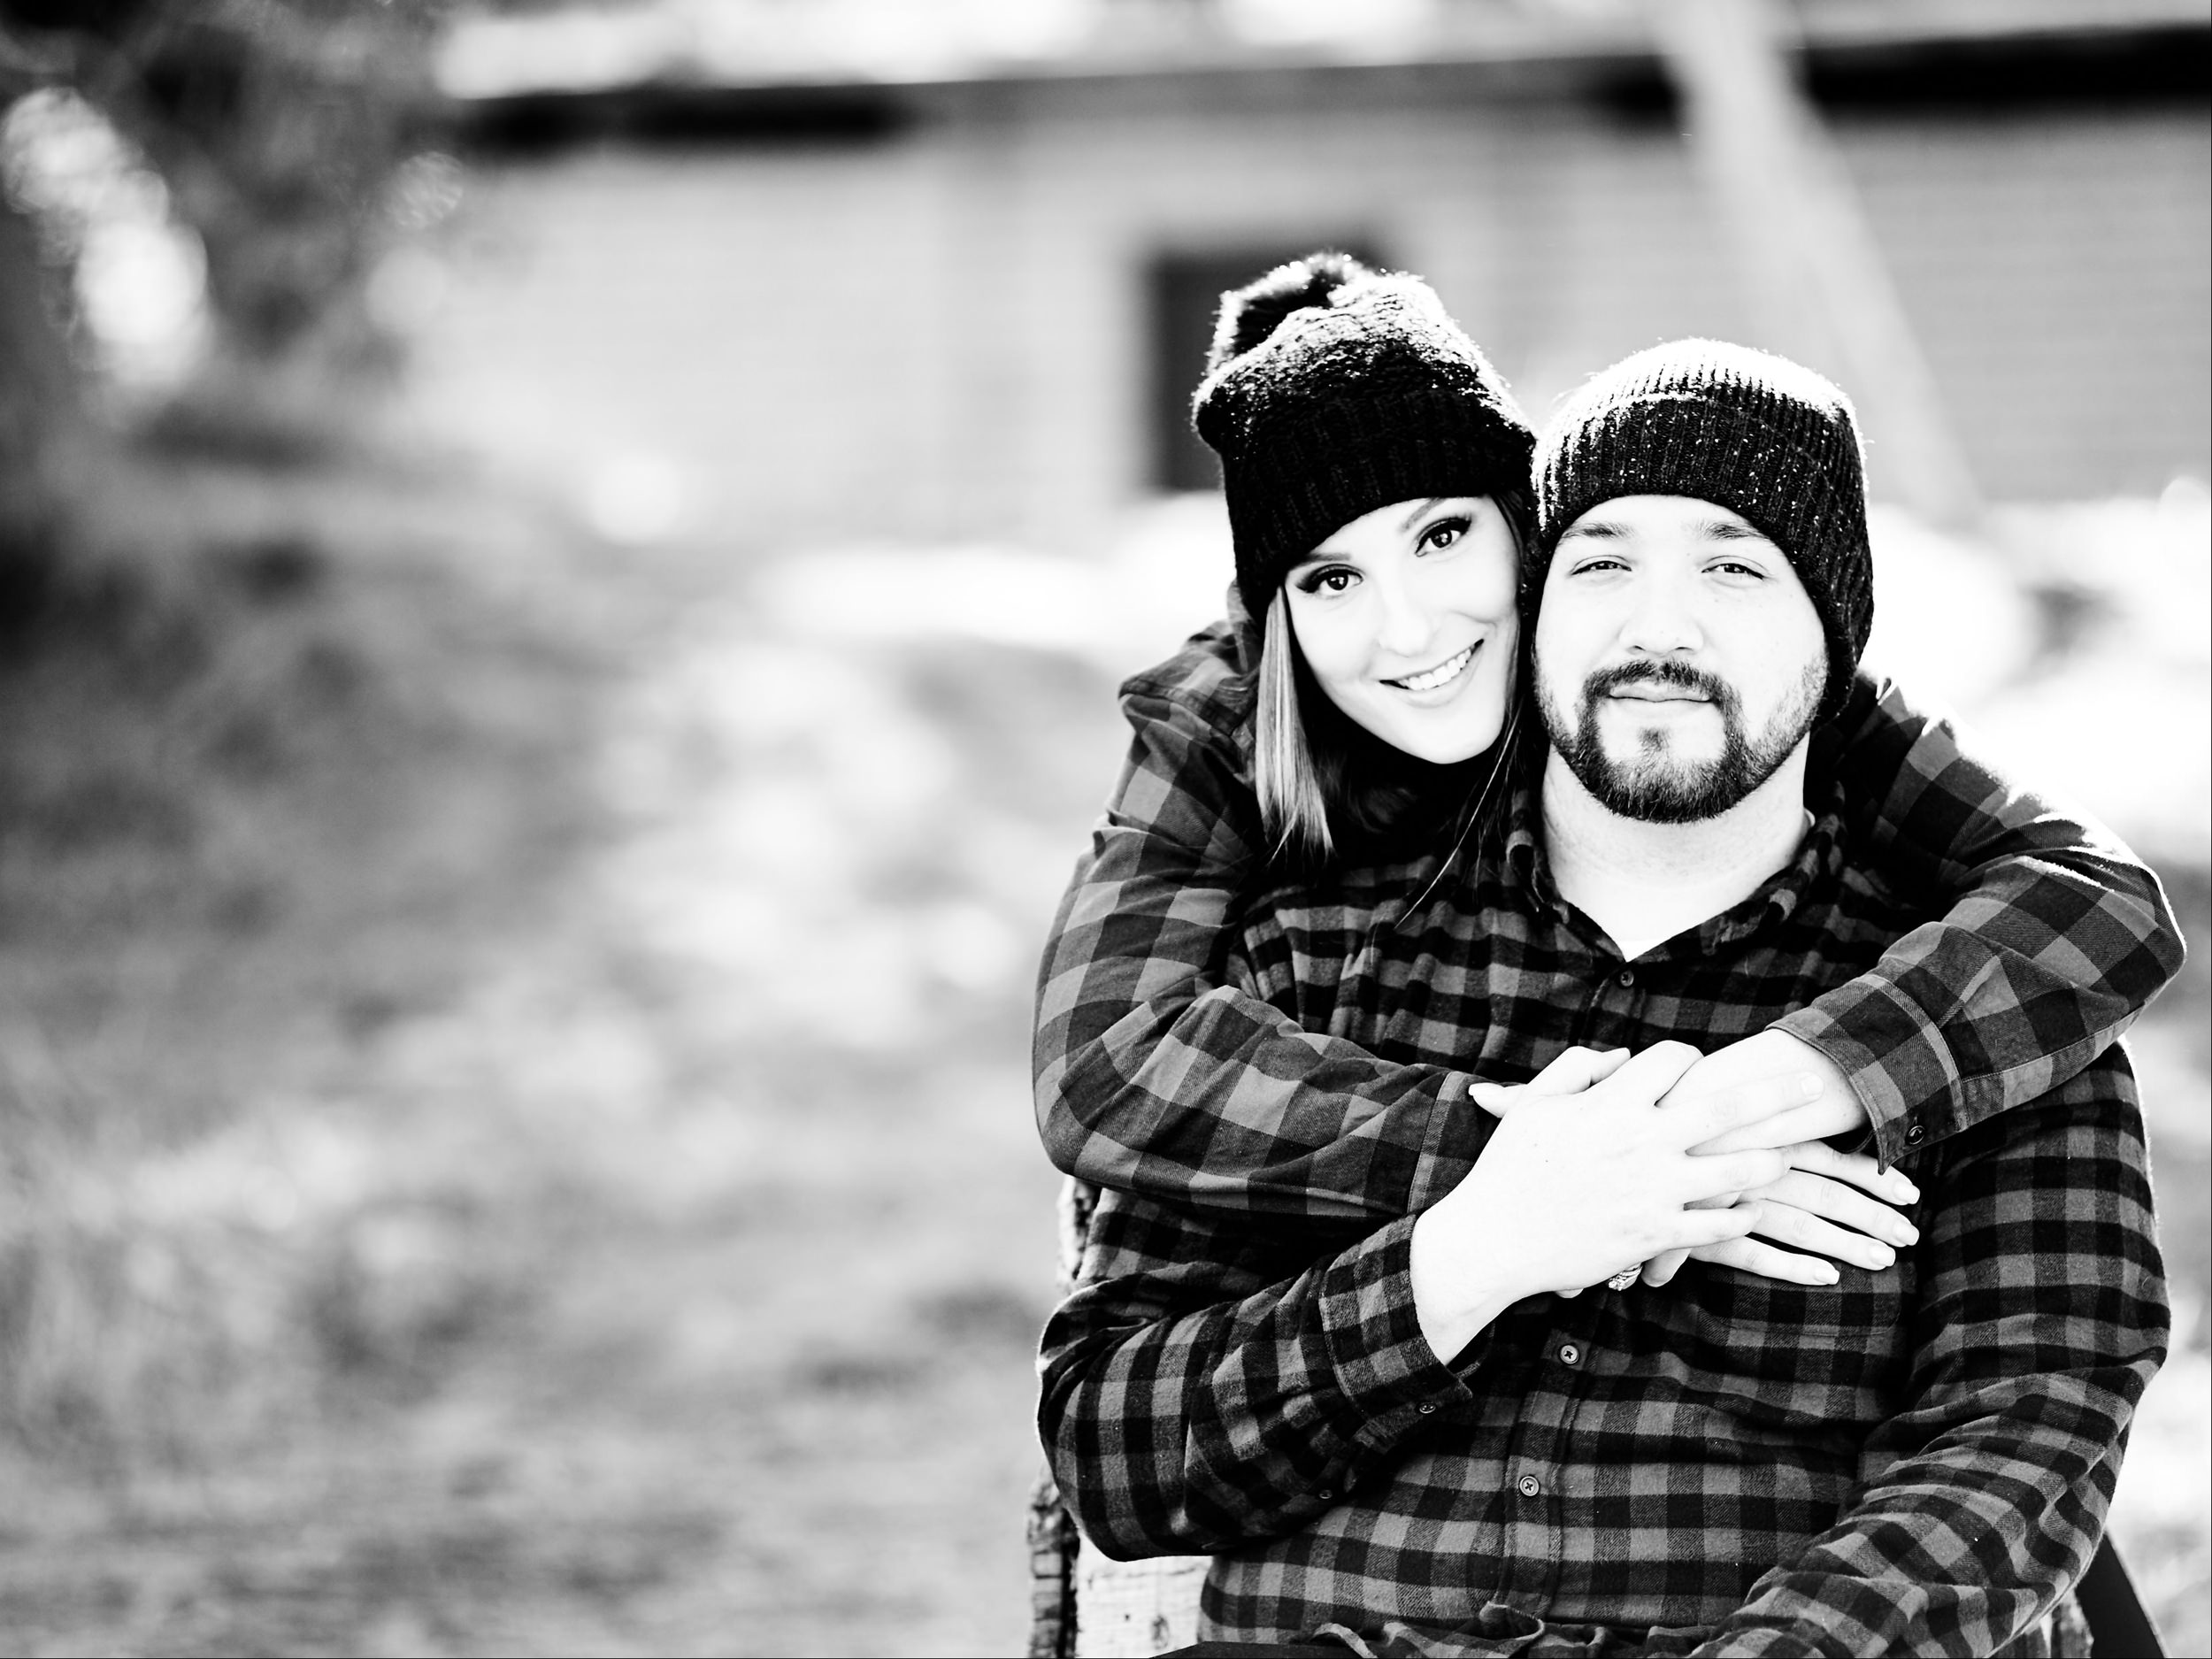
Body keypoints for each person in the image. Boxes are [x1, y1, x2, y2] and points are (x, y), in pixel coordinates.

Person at [1032, 293, 2175, 1652]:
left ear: (1838, 636)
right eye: (1604, 563)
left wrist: (1764, 1095)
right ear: (1541, 607)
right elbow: (1117, 1455)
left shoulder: (1987, 1007)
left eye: (1737, 569)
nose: (1660, 626)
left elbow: (2016, 1452)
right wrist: (1483, 1239)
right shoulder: (1299, 962)